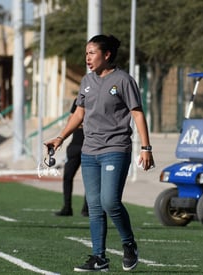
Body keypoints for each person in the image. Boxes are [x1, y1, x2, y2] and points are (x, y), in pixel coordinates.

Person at [45, 34, 154, 272]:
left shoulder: (124, 80)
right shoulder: (86, 80)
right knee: (94, 206)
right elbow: (79, 114)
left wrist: (146, 148)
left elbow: (137, 114)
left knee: (110, 201)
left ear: (107, 55)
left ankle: (129, 244)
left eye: (92, 53)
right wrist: (60, 138)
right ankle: (99, 257)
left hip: (115, 148)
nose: (87, 58)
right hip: (89, 151)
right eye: (86, 53)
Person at [55, 98, 88, 217]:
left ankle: (87, 209)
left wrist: (80, 121)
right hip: (74, 146)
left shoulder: (98, 98)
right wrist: (80, 121)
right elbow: (71, 120)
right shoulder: (78, 100)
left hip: (89, 146)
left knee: (89, 179)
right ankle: (67, 207)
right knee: (67, 176)